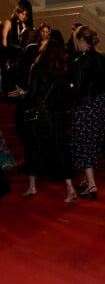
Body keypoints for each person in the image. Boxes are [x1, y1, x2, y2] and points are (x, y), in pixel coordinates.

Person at [20, 39, 76, 202]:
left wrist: (22, 94)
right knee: (60, 151)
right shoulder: (63, 69)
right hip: (57, 116)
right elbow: (67, 96)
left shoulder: (37, 67)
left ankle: (32, 186)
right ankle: (70, 187)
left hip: (39, 117)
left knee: (33, 150)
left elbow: (32, 93)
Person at [69, 25, 105, 200]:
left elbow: (78, 89)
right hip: (101, 104)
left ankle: (92, 185)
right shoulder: (104, 59)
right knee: (93, 143)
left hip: (86, 105)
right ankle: (88, 180)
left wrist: (69, 88)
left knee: (83, 144)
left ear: (80, 40)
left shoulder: (80, 62)